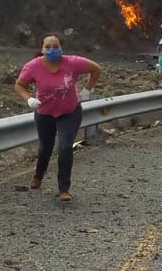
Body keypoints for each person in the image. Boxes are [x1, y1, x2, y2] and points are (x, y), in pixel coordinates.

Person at [14, 34, 101, 201]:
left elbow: (96, 69)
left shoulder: (73, 62)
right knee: (45, 148)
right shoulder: (33, 67)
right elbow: (19, 85)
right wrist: (29, 99)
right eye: (48, 47)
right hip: (45, 113)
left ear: (61, 48)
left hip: (70, 112)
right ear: (42, 49)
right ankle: (38, 174)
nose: (52, 50)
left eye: (56, 47)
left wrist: (87, 90)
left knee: (65, 148)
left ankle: (64, 188)